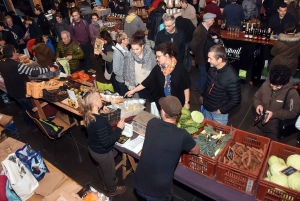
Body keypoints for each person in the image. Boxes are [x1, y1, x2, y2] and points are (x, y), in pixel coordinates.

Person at [134, 95, 200, 201]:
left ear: (163, 112)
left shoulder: (152, 123)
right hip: (159, 191)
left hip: (139, 183)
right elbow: (196, 151)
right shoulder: (182, 135)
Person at [78, 88, 126, 196]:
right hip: (102, 152)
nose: (101, 99)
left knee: (102, 168)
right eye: (99, 97)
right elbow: (106, 142)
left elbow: (97, 123)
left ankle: (106, 182)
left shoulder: (87, 114)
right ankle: (112, 189)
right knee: (109, 171)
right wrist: (119, 128)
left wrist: (100, 112)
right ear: (94, 103)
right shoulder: (100, 122)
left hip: (93, 149)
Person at [0, 45, 56, 129]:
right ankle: (36, 126)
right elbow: (33, 72)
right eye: (15, 52)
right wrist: (48, 69)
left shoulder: (2, 64)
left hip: (12, 92)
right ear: (12, 53)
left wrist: (27, 81)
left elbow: (14, 76)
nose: (17, 54)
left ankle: (29, 123)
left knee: (24, 108)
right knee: (31, 109)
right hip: (21, 91)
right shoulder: (17, 65)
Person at [125, 41, 191, 110]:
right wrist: (133, 91)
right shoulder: (158, 68)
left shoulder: (180, 69)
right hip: (163, 104)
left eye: (159, 57)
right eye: (156, 56)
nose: (157, 59)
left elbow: (186, 87)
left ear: (167, 55)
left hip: (177, 104)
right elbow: (147, 82)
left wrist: (187, 102)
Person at [253, 65, 300, 141]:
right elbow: (256, 97)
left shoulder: (292, 93)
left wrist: (274, 114)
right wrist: (258, 104)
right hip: (259, 127)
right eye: (272, 84)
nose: (274, 88)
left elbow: (293, 112)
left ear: (284, 83)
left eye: (277, 86)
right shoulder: (265, 85)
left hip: (274, 132)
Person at [202, 45, 242, 125]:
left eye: (210, 58)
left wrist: (221, 110)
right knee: (206, 130)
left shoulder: (232, 77)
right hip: (207, 107)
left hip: (218, 114)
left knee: (218, 135)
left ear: (219, 59)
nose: (208, 60)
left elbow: (236, 99)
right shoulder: (212, 67)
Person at [123, 30, 156, 100]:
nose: (134, 52)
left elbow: (155, 73)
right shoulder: (129, 56)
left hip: (150, 85)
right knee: (140, 106)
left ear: (142, 46)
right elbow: (126, 71)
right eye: (133, 49)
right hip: (137, 85)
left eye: (137, 49)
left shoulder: (151, 56)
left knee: (153, 105)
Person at [190, 13, 216, 100]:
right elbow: (193, 45)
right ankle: (202, 91)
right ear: (208, 21)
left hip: (203, 55)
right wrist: (193, 51)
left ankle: (197, 85)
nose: (214, 21)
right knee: (204, 73)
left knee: (202, 72)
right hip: (201, 56)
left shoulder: (205, 28)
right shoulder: (199, 31)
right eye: (212, 20)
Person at [113, 31, 129, 96]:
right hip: (121, 81)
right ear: (123, 40)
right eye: (127, 38)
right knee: (123, 98)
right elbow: (116, 70)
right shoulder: (117, 53)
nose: (128, 39)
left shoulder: (125, 48)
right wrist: (125, 76)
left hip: (127, 79)